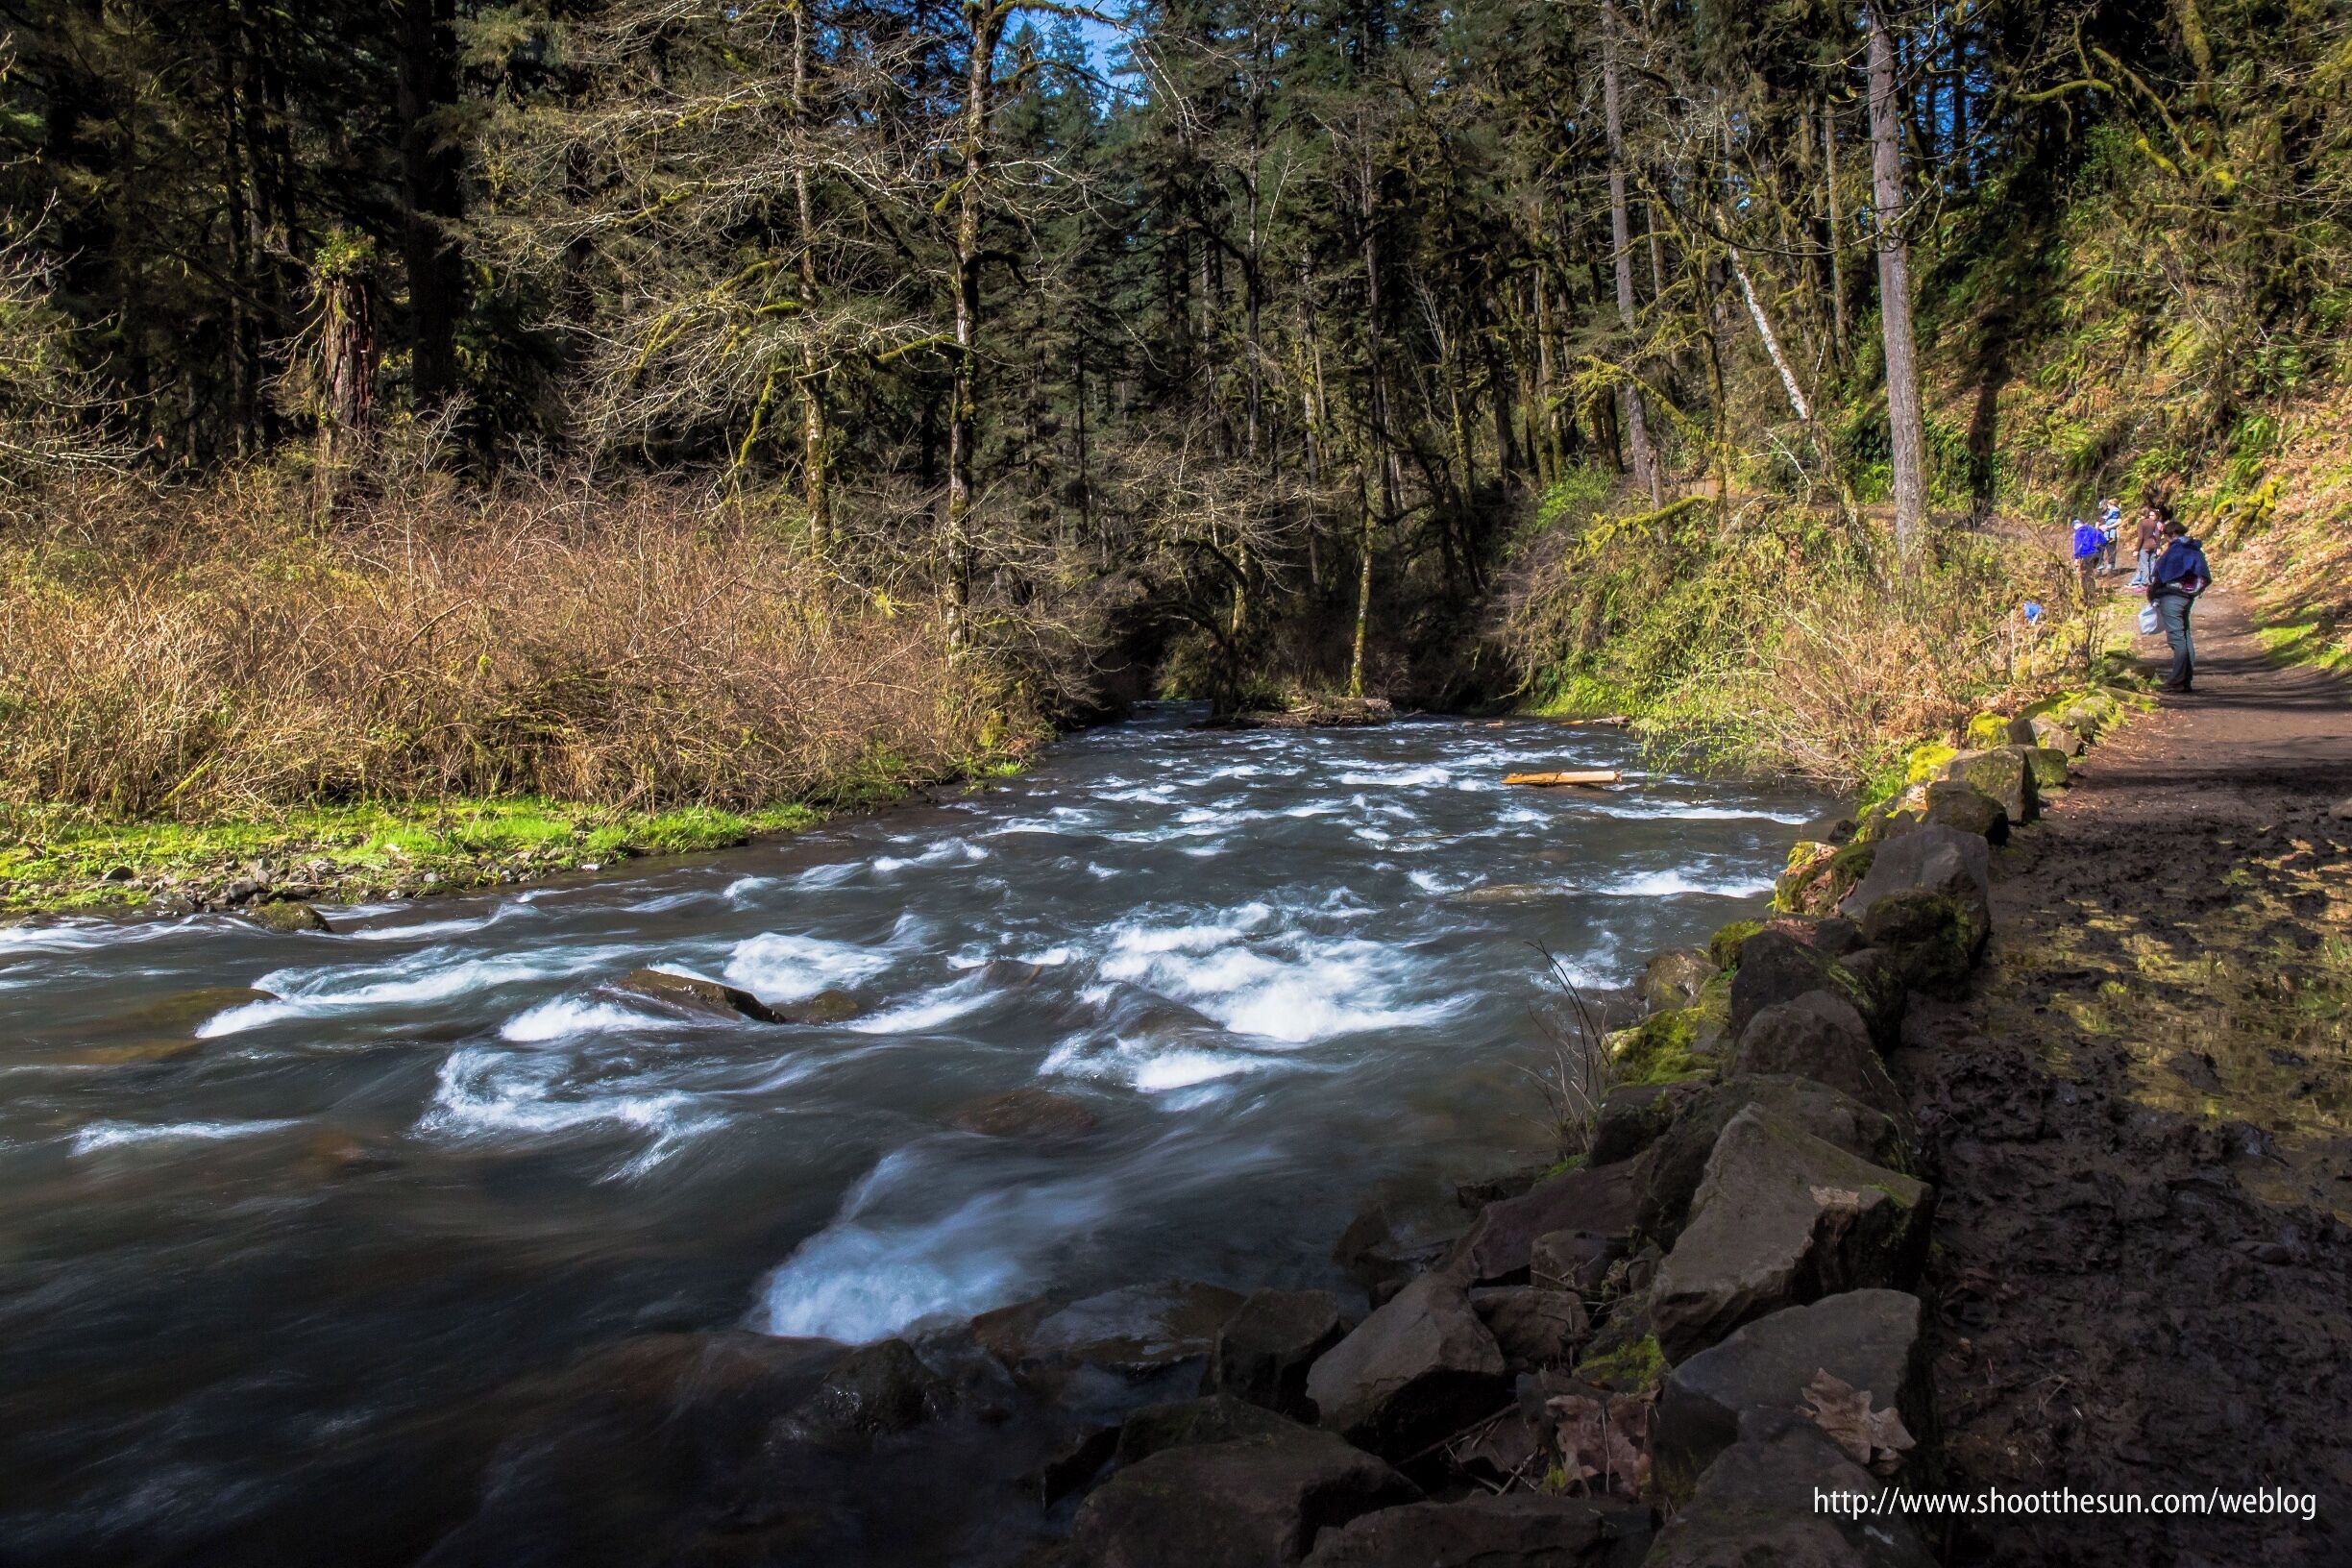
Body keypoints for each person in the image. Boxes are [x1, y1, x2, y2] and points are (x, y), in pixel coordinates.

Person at [2144, 517, 2211, 693]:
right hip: (2187, 597)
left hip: (2172, 597)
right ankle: (2185, 679)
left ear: (2171, 534)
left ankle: (2177, 681)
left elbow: (2161, 574)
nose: (2165, 539)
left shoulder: (2175, 551)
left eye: (2165, 535)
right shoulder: (2195, 549)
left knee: (2176, 638)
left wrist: (2154, 593)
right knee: (2185, 636)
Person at [2070, 515, 2104, 598]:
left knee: (2086, 575)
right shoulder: (2092, 529)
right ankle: (2089, 591)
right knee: (2090, 573)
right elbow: (2104, 540)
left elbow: (2078, 546)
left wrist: (2077, 557)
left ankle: (2089, 594)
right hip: (2096, 554)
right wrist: (2099, 549)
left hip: (2086, 555)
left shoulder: (2079, 532)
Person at [2130, 502, 2164, 586]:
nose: (2139, 517)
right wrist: (2158, 547)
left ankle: (2144, 583)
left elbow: (2140, 537)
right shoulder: (2153, 522)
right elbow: (2158, 535)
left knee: (2144, 564)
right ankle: (2153, 581)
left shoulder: (2141, 522)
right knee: (2152, 564)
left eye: (2140, 515)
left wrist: (2136, 550)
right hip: (2154, 545)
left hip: (2144, 546)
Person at [2098, 498, 2123, 574]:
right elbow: (2097, 522)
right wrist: (2099, 527)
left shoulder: (2115, 511)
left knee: (2111, 549)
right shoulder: (2101, 513)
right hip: (2101, 533)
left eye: (2103, 506)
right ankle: (2099, 566)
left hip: (2111, 533)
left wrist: (2109, 527)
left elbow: (2119, 521)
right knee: (2099, 550)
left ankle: (2111, 567)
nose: (2102, 508)